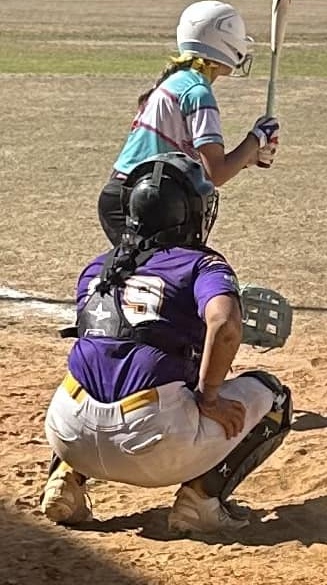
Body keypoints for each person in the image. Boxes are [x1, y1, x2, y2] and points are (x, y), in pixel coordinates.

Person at [40, 153, 292, 535]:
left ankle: (65, 482)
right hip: (152, 443)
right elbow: (224, 325)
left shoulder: (97, 267)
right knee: (274, 397)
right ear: (191, 213)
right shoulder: (200, 264)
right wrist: (209, 397)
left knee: (96, 364)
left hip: (67, 433)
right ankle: (201, 501)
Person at [98, 0, 280, 246]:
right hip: (141, 199)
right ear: (224, 44)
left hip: (137, 196)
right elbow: (216, 174)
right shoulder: (197, 92)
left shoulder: (180, 80)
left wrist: (251, 158)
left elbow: (199, 168)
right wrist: (256, 137)